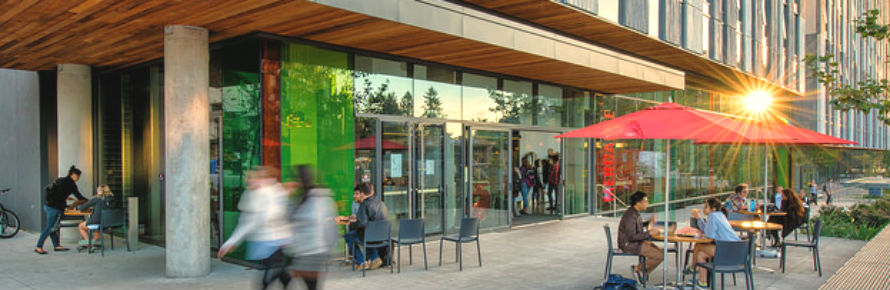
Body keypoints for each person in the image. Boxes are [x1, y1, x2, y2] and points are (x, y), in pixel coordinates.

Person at [218, 166, 294, 290]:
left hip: (277, 240)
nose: (250, 181)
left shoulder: (272, 193)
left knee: (270, 276)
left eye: (255, 178)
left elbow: (266, 217)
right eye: (250, 178)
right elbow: (246, 222)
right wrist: (231, 242)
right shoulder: (252, 194)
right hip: (266, 240)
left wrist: (232, 242)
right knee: (280, 272)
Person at [285, 165, 338, 290]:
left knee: (287, 280)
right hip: (300, 252)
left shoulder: (320, 200)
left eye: (295, 179)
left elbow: (329, 228)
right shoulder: (298, 199)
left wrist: (328, 251)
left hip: (312, 252)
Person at [35, 165, 88, 255]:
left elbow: (55, 192)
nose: (78, 178)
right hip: (55, 208)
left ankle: (56, 245)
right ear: (72, 174)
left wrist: (65, 196)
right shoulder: (71, 184)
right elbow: (79, 197)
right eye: (77, 176)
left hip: (48, 206)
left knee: (53, 227)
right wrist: (89, 201)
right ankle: (39, 246)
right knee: (50, 227)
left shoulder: (61, 180)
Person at [689, 198, 741, 288]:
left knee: (698, 245)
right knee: (701, 254)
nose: (703, 208)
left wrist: (698, 218)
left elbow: (709, 234)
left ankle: (693, 268)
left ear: (713, 209)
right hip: (738, 251)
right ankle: (702, 282)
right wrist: (700, 219)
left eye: (706, 206)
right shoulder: (720, 215)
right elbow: (709, 231)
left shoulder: (713, 216)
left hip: (727, 251)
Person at [618, 191, 663, 284]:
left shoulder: (634, 212)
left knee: (660, 253)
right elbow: (632, 236)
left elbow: (637, 226)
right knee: (659, 256)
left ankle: (641, 271)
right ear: (638, 203)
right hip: (630, 244)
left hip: (635, 242)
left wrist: (648, 222)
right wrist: (649, 233)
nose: (647, 203)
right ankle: (638, 269)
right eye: (645, 201)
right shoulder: (630, 215)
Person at [342, 182, 389, 270]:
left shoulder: (364, 205)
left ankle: (361, 262)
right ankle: (374, 258)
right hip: (383, 236)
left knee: (349, 236)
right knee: (365, 234)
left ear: (362, 194)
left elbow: (362, 223)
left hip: (370, 237)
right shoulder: (381, 202)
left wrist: (351, 224)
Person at [76, 184, 115, 248]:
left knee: (81, 226)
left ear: (99, 191)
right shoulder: (113, 199)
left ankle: (90, 244)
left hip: (97, 223)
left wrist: (76, 207)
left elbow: (82, 207)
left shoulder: (97, 199)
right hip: (109, 224)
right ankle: (93, 241)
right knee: (98, 226)